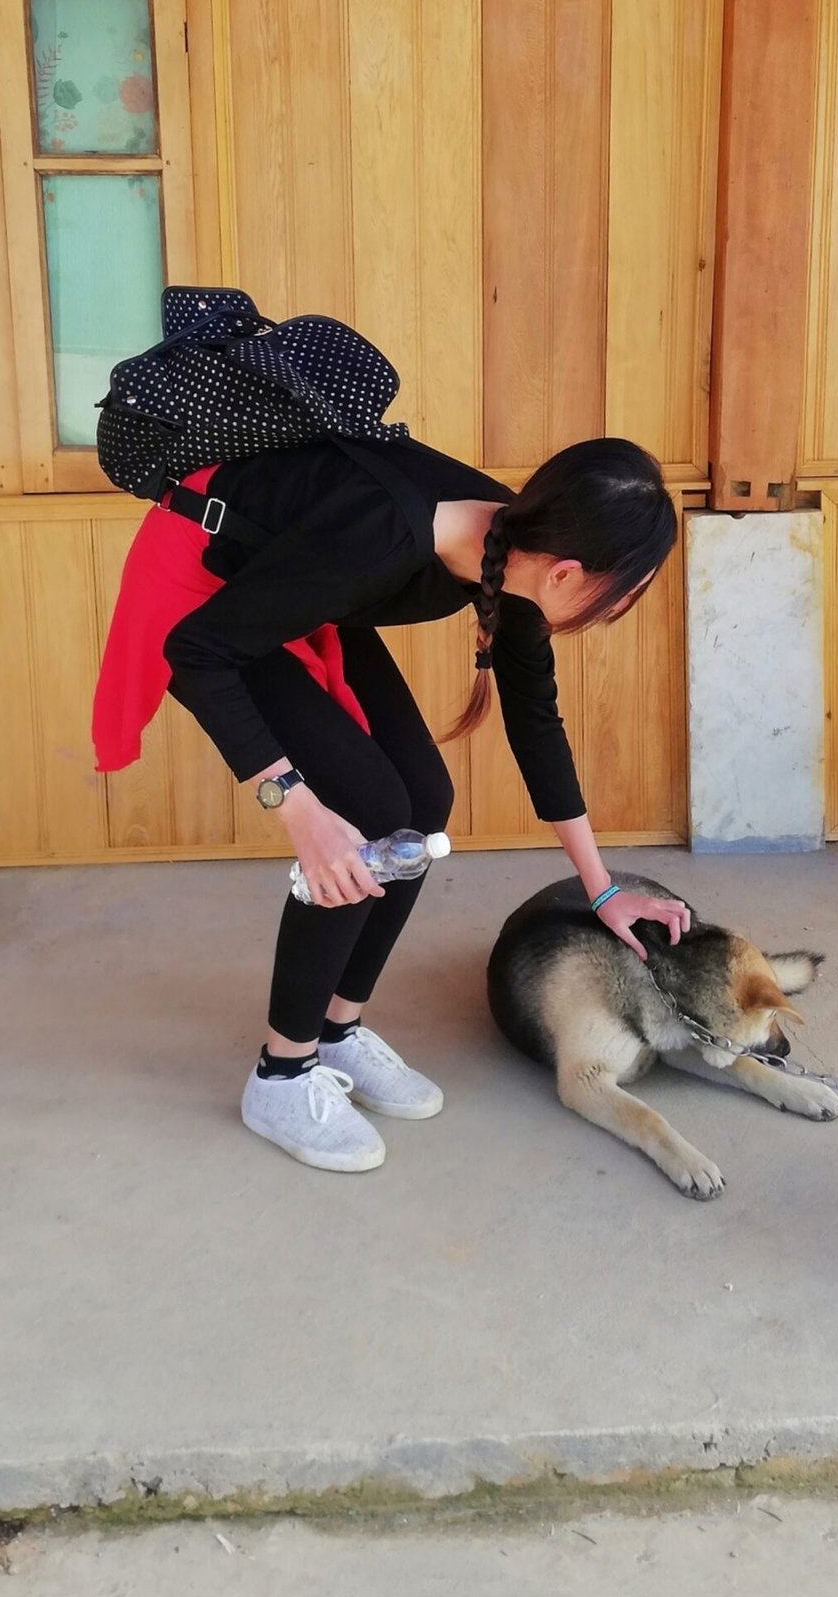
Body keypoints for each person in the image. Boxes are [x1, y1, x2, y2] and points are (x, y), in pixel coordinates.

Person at [95, 433, 688, 1174]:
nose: (619, 608)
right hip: (209, 592)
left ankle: (336, 1031)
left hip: (300, 574)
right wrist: (297, 806)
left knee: (422, 801)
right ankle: (281, 1075)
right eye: (622, 595)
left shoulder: (519, 550)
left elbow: (536, 722)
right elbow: (199, 651)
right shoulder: (388, 532)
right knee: (367, 810)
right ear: (568, 573)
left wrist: (602, 888)